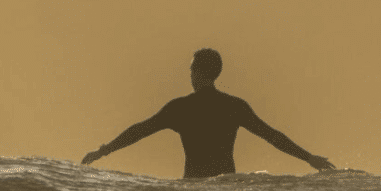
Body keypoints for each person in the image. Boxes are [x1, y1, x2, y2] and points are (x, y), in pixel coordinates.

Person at [81, 48, 335, 178]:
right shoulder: (234, 106)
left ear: (196, 73)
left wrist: (104, 150)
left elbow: (139, 130)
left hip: (194, 189)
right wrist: (309, 158)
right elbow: (271, 135)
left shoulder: (181, 108)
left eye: (191, 69)